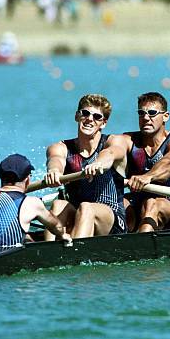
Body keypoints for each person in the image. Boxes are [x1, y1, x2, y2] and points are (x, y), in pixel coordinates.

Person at [44, 94, 128, 240]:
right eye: (85, 113)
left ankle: (73, 254)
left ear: (103, 123)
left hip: (112, 221)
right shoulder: (61, 147)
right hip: (78, 215)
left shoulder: (114, 141)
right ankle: (46, 254)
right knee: (58, 205)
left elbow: (111, 153)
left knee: (86, 207)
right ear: (77, 116)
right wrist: (54, 172)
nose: (90, 119)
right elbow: (55, 159)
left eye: (97, 117)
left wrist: (98, 163)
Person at [124, 92, 170, 232]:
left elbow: (169, 163)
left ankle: (140, 250)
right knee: (118, 204)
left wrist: (148, 176)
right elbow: (111, 151)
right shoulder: (128, 140)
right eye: (141, 113)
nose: (146, 118)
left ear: (165, 116)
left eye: (152, 113)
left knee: (152, 203)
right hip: (138, 205)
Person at [0, 154, 70, 247]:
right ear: (27, 180)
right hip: (7, 259)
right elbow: (56, 226)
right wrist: (63, 235)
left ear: (1, 177)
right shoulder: (32, 203)